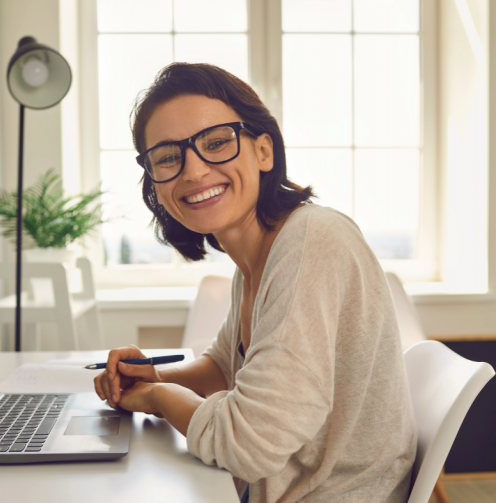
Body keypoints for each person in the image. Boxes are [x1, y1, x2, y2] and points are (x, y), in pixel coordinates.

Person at [94, 63, 417, 503]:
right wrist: (148, 375)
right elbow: (225, 371)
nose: (192, 171)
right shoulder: (254, 259)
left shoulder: (310, 242)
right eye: (168, 156)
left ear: (264, 151)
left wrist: (158, 397)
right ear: (154, 180)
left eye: (216, 142)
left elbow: (248, 444)